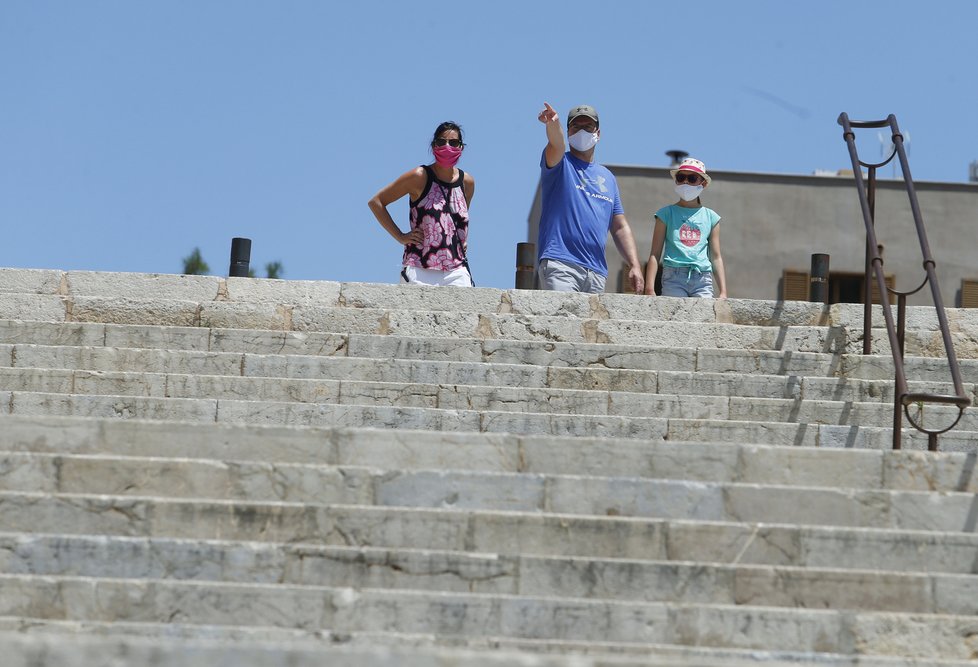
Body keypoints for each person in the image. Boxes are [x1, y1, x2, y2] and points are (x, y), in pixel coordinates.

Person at [535, 102, 645, 294]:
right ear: (568, 131)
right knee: (564, 322)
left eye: (588, 127)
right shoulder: (560, 163)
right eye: (576, 127)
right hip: (561, 265)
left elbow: (619, 226)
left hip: (596, 272)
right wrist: (553, 124)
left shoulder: (608, 178)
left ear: (598, 133)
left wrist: (634, 264)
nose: (582, 131)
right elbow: (556, 143)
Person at [368, 121, 475, 287]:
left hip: (456, 270)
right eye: (441, 142)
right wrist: (400, 237)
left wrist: (462, 240)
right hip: (419, 268)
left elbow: (456, 221)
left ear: (461, 147)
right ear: (433, 146)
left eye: (453, 143)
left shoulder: (467, 182)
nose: (447, 146)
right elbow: (376, 202)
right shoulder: (420, 176)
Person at [644, 157, 727, 298]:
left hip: (703, 279)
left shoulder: (711, 217)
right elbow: (655, 253)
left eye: (692, 178)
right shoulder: (665, 214)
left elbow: (716, 257)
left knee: (703, 318)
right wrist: (649, 288)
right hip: (673, 277)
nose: (685, 182)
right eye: (681, 177)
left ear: (704, 183)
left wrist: (723, 292)